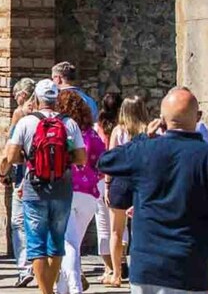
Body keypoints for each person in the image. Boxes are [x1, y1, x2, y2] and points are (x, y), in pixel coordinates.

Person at [97, 87, 208, 294]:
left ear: (162, 120)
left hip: (146, 267)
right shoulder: (206, 156)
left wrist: (143, 138)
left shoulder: (145, 150)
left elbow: (107, 161)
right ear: (198, 117)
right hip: (188, 267)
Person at [0, 79, 86, 294]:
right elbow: (81, 158)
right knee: (56, 241)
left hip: (34, 186)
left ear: (36, 99)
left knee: (36, 243)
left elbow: (10, 156)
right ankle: (52, 288)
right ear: (56, 99)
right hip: (62, 186)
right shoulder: (69, 123)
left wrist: (29, 159)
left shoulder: (26, 122)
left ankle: (45, 292)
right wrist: (62, 160)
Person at [54, 90, 105, 294]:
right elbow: (103, 161)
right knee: (73, 242)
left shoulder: (62, 130)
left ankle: (75, 288)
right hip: (89, 194)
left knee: (69, 243)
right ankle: (62, 289)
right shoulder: (91, 133)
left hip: (66, 190)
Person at [104, 95, 150, 288]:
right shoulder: (148, 131)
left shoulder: (118, 131)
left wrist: (107, 185)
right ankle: (139, 272)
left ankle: (116, 274)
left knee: (116, 231)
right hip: (142, 181)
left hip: (120, 181)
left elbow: (110, 160)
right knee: (140, 230)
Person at [7, 77, 38, 288]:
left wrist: (3, 171)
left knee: (19, 222)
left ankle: (25, 267)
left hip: (24, 175)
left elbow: (11, 150)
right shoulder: (52, 117)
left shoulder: (20, 115)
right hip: (49, 176)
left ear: (23, 96)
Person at [93, 92, 121, 284]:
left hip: (100, 178)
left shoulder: (97, 128)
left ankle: (109, 268)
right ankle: (120, 265)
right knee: (120, 227)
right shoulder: (123, 128)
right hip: (120, 178)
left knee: (103, 225)